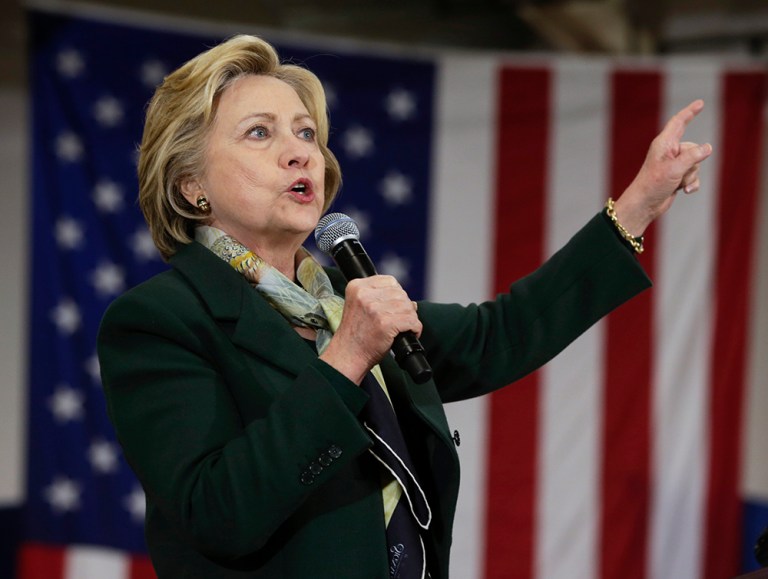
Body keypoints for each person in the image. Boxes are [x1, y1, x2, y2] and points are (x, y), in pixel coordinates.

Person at [97, 34, 712, 579]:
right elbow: (218, 513)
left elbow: (501, 334)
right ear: (191, 186)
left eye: (305, 132)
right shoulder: (161, 322)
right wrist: (347, 359)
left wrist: (637, 206)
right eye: (260, 132)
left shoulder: (340, 307)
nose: (300, 151)